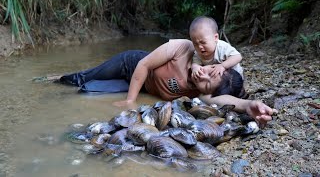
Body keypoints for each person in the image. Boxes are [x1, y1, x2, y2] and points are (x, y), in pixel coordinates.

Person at [57, 39, 273, 127]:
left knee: (86, 91)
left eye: (208, 84)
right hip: (130, 65)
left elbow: (224, 100)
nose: (203, 77)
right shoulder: (185, 48)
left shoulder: (200, 92)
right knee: (83, 78)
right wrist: (130, 101)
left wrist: (249, 106)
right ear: (214, 64)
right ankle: (55, 80)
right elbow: (143, 65)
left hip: (139, 85)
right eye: (210, 72)